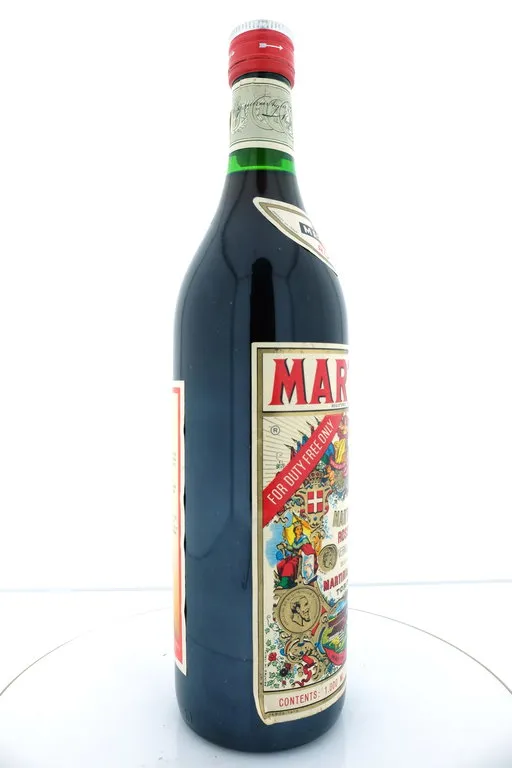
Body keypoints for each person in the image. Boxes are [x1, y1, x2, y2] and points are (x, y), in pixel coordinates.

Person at [276, 521, 318, 589]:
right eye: (298, 529)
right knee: (281, 564)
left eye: (301, 529)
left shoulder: (304, 539)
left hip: (301, 559)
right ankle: (287, 581)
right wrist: (285, 545)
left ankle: (284, 583)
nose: (299, 530)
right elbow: (293, 548)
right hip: (294, 556)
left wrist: (302, 551)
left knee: (289, 565)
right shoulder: (296, 538)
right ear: (295, 531)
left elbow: (307, 549)